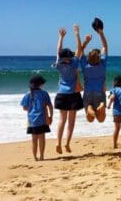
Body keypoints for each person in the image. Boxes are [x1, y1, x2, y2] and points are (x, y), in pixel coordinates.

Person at [53, 24, 84, 154]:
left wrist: (61, 37)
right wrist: (77, 34)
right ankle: (67, 144)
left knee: (62, 120)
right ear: (70, 57)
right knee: (71, 122)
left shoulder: (59, 64)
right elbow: (79, 49)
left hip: (61, 94)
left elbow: (58, 51)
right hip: (73, 94)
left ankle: (58, 142)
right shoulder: (74, 63)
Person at [79, 18, 108, 123]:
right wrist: (100, 32)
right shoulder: (102, 64)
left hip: (87, 93)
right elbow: (105, 46)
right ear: (99, 58)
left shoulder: (85, 66)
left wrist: (86, 42)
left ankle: (90, 107)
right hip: (100, 93)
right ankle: (101, 105)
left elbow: (80, 50)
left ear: (88, 58)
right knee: (101, 119)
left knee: (89, 119)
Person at [20, 75, 53, 161]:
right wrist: (50, 116)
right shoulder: (44, 93)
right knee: (42, 138)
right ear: (40, 84)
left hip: (32, 120)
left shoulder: (28, 94)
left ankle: (35, 157)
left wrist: (31, 109)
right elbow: (50, 106)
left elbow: (24, 108)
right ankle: (42, 156)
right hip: (42, 119)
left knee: (34, 140)